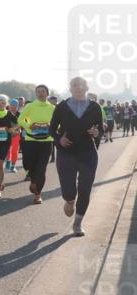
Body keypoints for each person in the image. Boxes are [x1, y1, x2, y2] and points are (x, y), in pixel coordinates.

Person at [50, 77, 103, 237]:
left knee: (85, 189)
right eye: (75, 85)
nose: (78, 88)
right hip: (66, 153)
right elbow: (52, 129)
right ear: (70, 89)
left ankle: (78, 223)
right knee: (69, 189)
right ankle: (69, 200)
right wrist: (59, 139)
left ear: (87, 88)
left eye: (81, 85)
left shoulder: (95, 107)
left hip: (88, 153)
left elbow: (100, 128)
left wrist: (97, 132)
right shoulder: (62, 106)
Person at [18, 85, 56, 205]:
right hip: (30, 141)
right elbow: (20, 120)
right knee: (28, 164)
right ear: (36, 94)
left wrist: (51, 126)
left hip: (46, 142)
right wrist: (30, 125)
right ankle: (33, 179)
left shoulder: (52, 108)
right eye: (38, 91)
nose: (41, 93)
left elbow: (58, 124)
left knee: (42, 168)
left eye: (43, 91)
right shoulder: (30, 106)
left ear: (47, 93)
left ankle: (38, 194)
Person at [6, 99, 22, 173]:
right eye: (12, 105)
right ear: (9, 106)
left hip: (16, 134)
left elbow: (24, 123)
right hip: (7, 134)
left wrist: (16, 129)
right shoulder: (6, 114)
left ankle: (13, 166)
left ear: (17, 106)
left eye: (15, 105)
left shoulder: (20, 114)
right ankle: (8, 160)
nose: (13, 107)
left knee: (15, 151)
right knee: (8, 149)